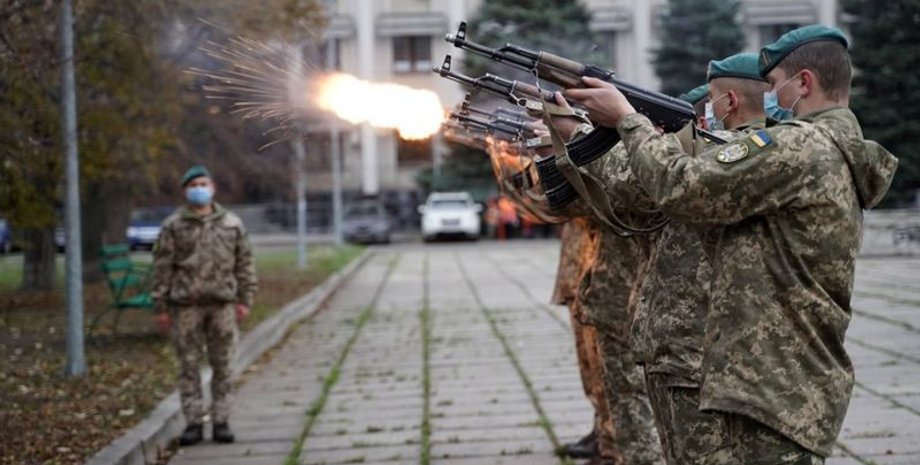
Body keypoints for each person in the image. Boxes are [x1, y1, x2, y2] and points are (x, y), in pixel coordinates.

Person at [564, 25, 898, 464]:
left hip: (771, 381)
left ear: (805, 83)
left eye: (776, 85)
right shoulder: (828, 149)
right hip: (782, 375)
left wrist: (628, 119)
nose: (772, 97)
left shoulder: (799, 147)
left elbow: (683, 187)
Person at [152, 165, 257, 446]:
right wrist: (160, 306)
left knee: (224, 366)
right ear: (186, 191)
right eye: (193, 184)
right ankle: (194, 423)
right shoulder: (174, 226)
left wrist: (245, 300)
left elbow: (244, 264)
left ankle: (221, 421)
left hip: (223, 305)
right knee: (188, 366)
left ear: (212, 188)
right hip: (186, 306)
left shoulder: (232, 224)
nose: (199, 188)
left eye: (203, 183)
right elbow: (163, 267)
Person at [551, 218, 605, 460]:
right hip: (578, 270)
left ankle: (611, 441)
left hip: (595, 273)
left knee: (601, 366)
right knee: (589, 365)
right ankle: (603, 431)